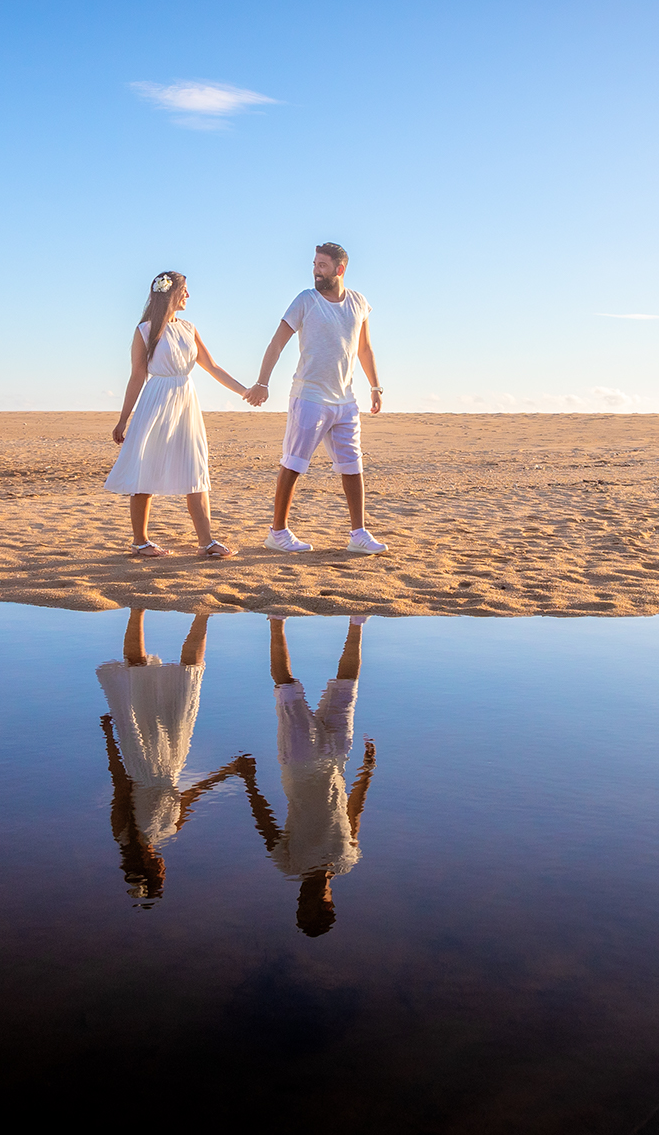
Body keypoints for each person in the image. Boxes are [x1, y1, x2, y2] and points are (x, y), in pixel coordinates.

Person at [96, 605, 249, 907]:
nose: (165, 870)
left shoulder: (125, 833)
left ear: (150, 871)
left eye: (161, 876)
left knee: (137, 674)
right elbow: (192, 794)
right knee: (188, 682)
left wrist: (109, 734)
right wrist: (230, 771)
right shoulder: (167, 832)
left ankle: (137, 607)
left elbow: (118, 782)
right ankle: (204, 612)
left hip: (139, 760)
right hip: (173, 760)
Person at [244, 242, 387, 555]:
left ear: (340, 269)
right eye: (314, 264)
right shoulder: (306, 300)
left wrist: (375, 387)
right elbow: (277, 342)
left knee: (353, 465)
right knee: (294, 463)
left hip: (346, 400)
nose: (316, 271)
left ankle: (358, 534)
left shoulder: (358, 302)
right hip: (309, 396)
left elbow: (364, 349)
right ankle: (277, 533)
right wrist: (262, 382)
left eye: (322, 266)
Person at [240, 613, 377, 938]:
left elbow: (265, 821)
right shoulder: (347, 861)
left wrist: (248, 781)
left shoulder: (289, 865)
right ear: (330, 904)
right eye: (322, 906)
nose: (314, 899)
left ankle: (276, 620)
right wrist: (367, 773)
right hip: (337, 757)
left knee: (286, 687)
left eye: (306, 906)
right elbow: (352, 815)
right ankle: (357, 621)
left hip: (299, 761)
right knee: (347, 687)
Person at [107, 269, 253, 557]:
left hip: (186, 402)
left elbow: (212, 367)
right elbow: (137, 376)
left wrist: (245, 391)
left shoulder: (188, 328)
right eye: (185, 290)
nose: (188, 295)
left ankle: (206, 541)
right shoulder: (145, 331)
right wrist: (123, 419)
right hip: (156, 402)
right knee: (144, 467)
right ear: (172, 293)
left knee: (195, 466)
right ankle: (140, 541)